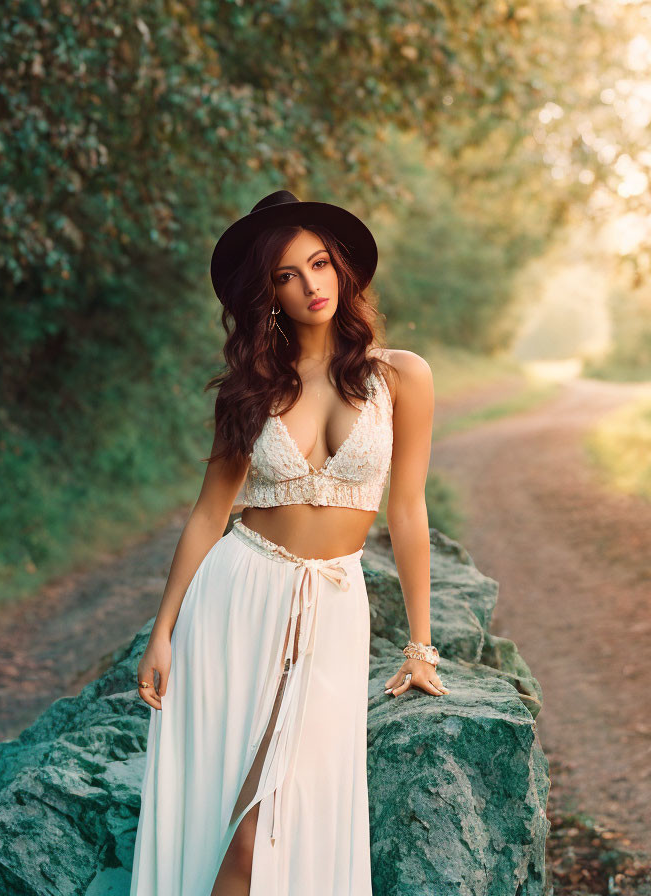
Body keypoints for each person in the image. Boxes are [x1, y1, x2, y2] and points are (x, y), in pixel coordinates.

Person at [129, 190, 448, 896]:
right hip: (236, 600)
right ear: (266, 292)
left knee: (267, 826)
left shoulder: (402, 377)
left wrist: (420, 646)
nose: (312, 285)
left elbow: (408, 511)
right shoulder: (253, 387)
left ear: (344, 271)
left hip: (333, 607)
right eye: (287, 275)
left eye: (322, 264)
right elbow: (210, 513)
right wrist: (163, 632)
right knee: (226, 819)